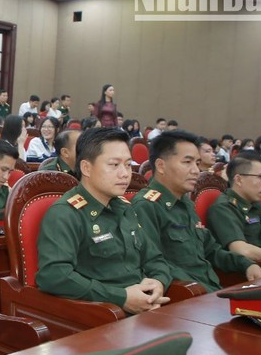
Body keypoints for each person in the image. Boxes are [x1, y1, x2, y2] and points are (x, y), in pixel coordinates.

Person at [36, 128, 173, 314]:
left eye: (127, 164)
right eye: (114, 165)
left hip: (145, 311)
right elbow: (54, 276)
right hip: (100, 317)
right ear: (86, 168)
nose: (125, 174)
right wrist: (121, 298)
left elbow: (155, 258)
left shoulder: (125, 208)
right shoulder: (65, 213)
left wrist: (158, 281)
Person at [133, 131, 261, 292]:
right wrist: (206, 292)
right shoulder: (147, 206)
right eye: (187, 162)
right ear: (161, 166)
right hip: (186, 298)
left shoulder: (185, 203)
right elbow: (153, 265)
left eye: (197, 163)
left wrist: (246, 264)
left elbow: (211, 250)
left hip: (209, 292)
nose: (196, 170)